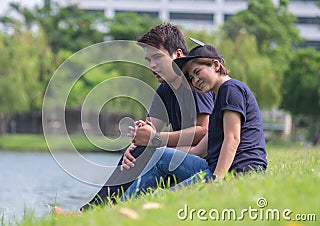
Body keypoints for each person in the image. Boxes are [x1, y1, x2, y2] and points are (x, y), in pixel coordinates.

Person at [80, 24, 215, 210]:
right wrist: (136, 143)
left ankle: (93, 210)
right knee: (139, 150)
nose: (152, 65)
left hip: (203, 163)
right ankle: (98, 209)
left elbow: (204, 130)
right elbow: (150, 129)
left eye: (157, 57)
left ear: (177, 54)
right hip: (175, 159)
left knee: (148, 149)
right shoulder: (165, 89)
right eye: (148, 60)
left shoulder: (196, 83)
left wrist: (153, 140)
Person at [121, 39, 268, 200]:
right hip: (214, 167)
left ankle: (123, 206)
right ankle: (124, 204)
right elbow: (198, 151)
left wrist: (216, 179)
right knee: (160, 158)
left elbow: (233, 138)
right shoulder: (220, 98)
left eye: (197, 72)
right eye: (191, 77)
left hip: (239, 169)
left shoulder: (230, 89)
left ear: (216, 65)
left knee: (164, 198)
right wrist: (154, 145)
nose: (195, 80)